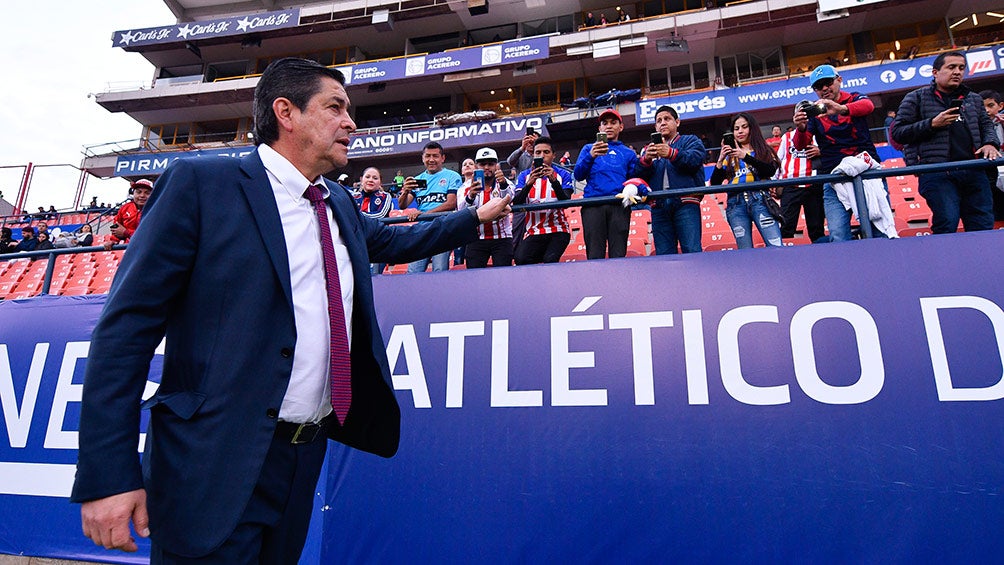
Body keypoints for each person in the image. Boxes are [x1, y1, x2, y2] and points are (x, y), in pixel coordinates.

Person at [70, 57, 511, 562]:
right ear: (287, 112)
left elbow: (394, 240)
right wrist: (107, 474)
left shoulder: (339, 203)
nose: (351, 122)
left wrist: (474, 215)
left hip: (302, 456)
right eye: (336, 107)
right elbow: (126, 330)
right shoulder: (201, 185)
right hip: (212, 461)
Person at [892, 52, 1000, 234]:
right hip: (936, 172)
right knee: (946, 223)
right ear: (935, 72)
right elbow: (898, 133)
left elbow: (986, 125)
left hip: (974, 170)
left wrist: (991, 143)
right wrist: (932, 124)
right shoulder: (915, 98)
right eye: (951, 67)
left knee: (983, 225)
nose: (957, 72)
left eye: (961, 68)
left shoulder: (973, 98)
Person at [793, 64, 882, 242]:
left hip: (866, 172)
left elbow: (868, 106)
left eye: (828, 82)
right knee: (838, 234)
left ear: (839, 80)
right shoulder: (814, 112)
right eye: (818, 86)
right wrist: (801, 128)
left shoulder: (854, 97)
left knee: (878, 228)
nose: (824, 88)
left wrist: (840, 108)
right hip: (833, 177)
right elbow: (800, 145)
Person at [636, 104, 706, 254]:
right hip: (659, 206)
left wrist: (672, 153)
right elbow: (639, 177)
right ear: (655, 126)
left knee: (692, 251)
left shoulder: (690, 140)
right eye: (659, 120)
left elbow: (695, 159)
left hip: (685, 202)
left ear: (677, 122)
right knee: (664, 255)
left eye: (667, 118)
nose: (662, 123)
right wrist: (646, 160)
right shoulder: (649, 149)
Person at [573, 109, 640, 259]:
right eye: (605, 123)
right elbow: (578, 175)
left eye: (613, 122)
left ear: (621, 127)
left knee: (618, 254)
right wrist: (590, 156)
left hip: (619, 205)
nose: (608, 126)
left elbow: (634, 180)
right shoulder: (588, 148)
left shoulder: (628, 153)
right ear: (600, 129)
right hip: (593, 205)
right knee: (595, 255)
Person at [710, 112, 782, 249]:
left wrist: (745, 157)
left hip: (760, 200)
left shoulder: (763, 150)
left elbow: (770, 171)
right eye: (736, 129)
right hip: (735, 204)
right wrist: (720, 159)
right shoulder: (729, 155)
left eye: (744, 127)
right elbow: (715, 184)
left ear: (752, 128)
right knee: (745, 251)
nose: (740, 131)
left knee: (776, 246)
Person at [397, 142, 463, 272]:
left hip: (442, 228)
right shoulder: (418, 179)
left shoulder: (452, 176)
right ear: (422, 158)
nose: (431, 160)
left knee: (439, 270)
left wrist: (424, 214)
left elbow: (451, 203)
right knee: (413, 272)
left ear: (442, 158)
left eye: (435, 156)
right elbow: (402, 205)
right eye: (427, 156)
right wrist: (405, 191)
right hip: (421, 230)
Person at [514, 136, 575, 264]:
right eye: (538, 152)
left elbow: (566, 201)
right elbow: (517, 202)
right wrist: (529, 183)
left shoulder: (563, 174)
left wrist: (553, 180)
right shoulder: (524, 176)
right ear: (533, 155)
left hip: (558, 229)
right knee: (521, 259)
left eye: (546, 152)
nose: (542, 156)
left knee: (550, 259)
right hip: (533, 231)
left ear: (554, 155)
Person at [457, 148, 515, 268]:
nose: (487, 167)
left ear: (496, 166)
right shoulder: (465, 187)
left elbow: (508, 201)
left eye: (490, 164)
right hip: (476, 238)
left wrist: (503, 184)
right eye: (483, 164)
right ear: (477, 166)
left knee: (503, 276)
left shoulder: (506, 183)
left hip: (502, 238)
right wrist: (471, 195)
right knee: (474, 278)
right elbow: (461, 211)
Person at [775, 127, 825, 242]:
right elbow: (778, 159)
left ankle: (821, 255)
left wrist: (820, 150)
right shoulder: (787, 136)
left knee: (816, 227)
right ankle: (786, 256)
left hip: (813, 185)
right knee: (786, 227)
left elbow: (832, 151)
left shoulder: (818, 134)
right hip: (790, 185)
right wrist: (774, 181)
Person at [353, 167, 393, 274]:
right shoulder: (353, 197)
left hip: (378, 241)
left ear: (380, 182)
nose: (371, 180)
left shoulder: (386, 196)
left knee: (374, 276)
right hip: (357, 242)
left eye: (375, 178)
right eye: (367, 177)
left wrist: (359, 216)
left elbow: (380, 214)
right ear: (361, 180)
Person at [104, 178, 154, 249]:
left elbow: (150, 236)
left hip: (149, 249)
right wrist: (113, 240)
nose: (142, 195)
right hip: (129, 249)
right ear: (133, 194)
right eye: (138, 192)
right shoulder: (125, 208)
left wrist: (126, 233)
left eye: (147, 193)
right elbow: (116, 227)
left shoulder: (157, 210)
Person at [980, 89, 1004, 220]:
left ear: (1000, 106)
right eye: (982, 107)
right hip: (988, 170)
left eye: (990, 105)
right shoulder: (974, 126)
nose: (987, 111)